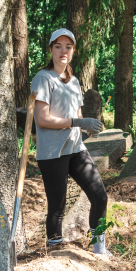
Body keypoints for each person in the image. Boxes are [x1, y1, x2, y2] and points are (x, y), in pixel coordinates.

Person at [31, 28, 109, 255]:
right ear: (51, 50)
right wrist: (77, 121)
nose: (63, 51)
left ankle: (99, 248)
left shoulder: (74, 80)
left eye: (68, 47)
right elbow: (42, 119)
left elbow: (76, 114)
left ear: (73, 50)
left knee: (99, 195)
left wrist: (87, 126)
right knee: (57, 207)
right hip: (52, 152)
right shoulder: (43, 78)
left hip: (76, 148)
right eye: (58, 46)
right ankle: (55, 251)